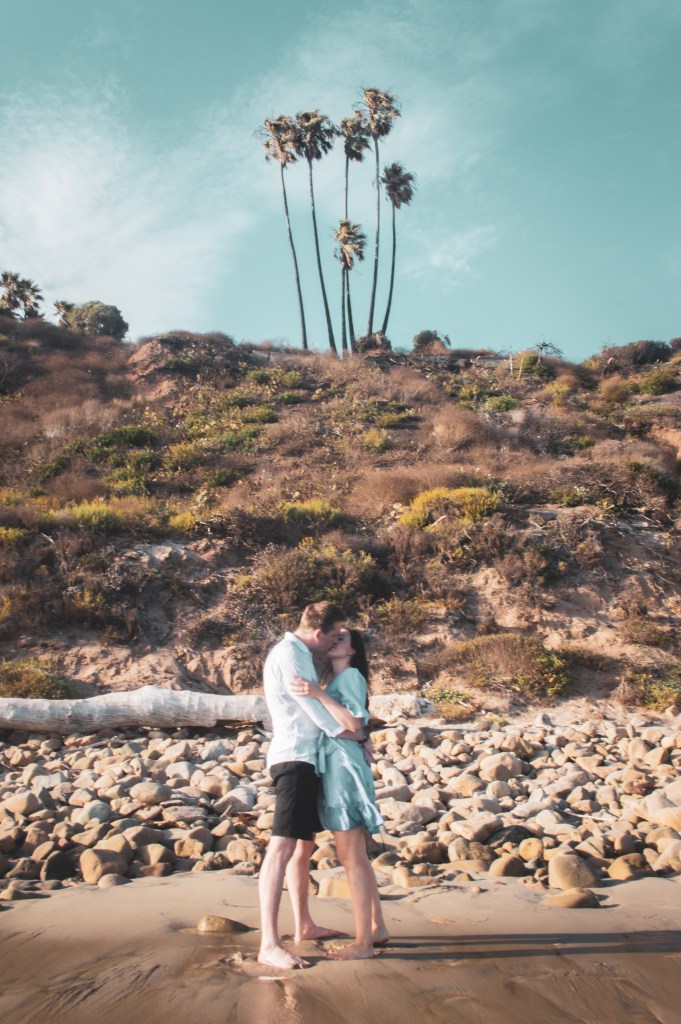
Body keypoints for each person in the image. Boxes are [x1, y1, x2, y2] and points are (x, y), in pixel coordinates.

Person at [257, 601, 365, 970]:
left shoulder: (295, 652)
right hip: (294, 759)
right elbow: (315, 713)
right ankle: (268, 944)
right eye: (334, 635)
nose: (335, 641)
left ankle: (303, 923)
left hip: (306, 759)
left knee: (301, 846)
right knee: (281, 847)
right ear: (319, 634)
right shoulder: (291, 654)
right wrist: (354, 732)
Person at [290, 627, 390, 960]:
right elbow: (355, 729)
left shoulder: (351, 678)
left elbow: (351, 723)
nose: (335, 641)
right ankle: (377, 928)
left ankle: (363, 943)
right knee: (356, 856)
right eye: (334, 637)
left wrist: (319, 694)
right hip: (338, 766)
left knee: (351, 857)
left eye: (343, 639)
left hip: (344, 771)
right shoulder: (339, 681)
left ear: (352, 652)